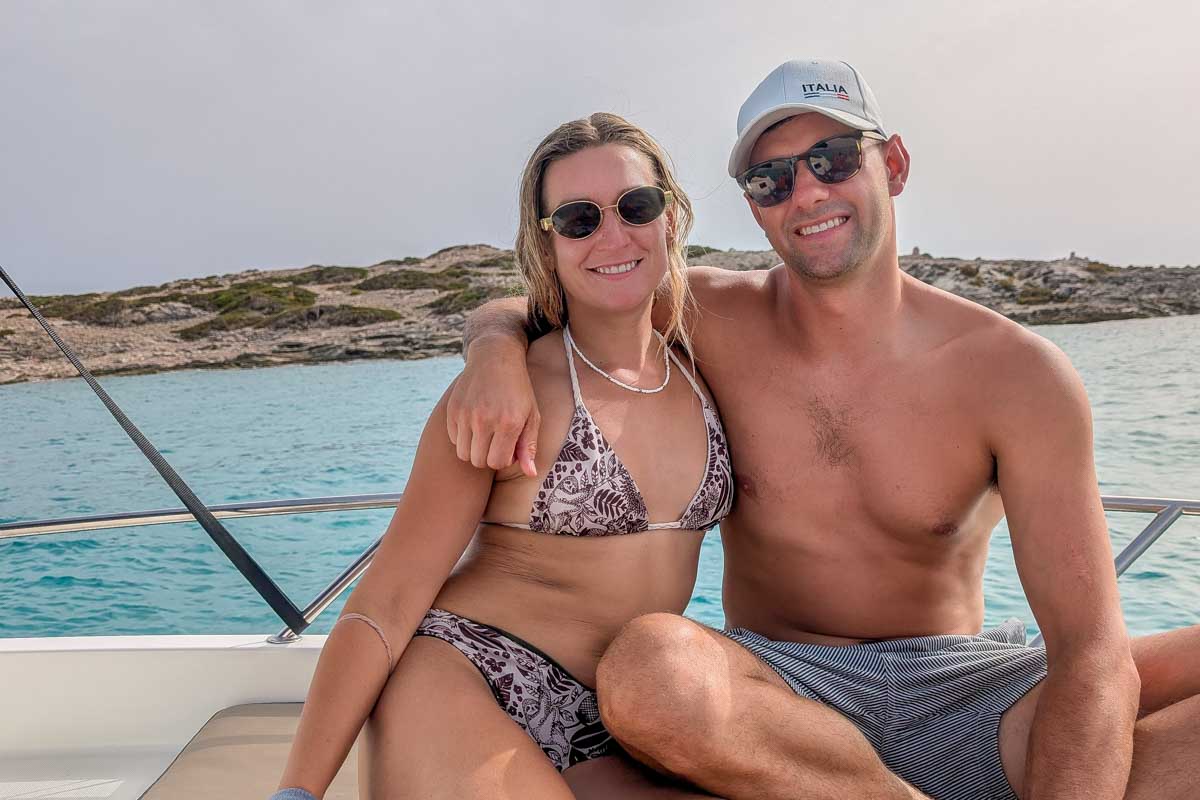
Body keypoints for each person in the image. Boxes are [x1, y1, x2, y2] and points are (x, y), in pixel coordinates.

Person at [447, 59, 1200, 800]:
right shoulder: (707, 315)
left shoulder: (1018, 374)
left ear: (893, 165)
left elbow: (1089, 649)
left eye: (833, 159)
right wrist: (493, 354)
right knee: (649, 668)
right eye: (771, 179)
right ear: (755, 206)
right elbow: (541, 306)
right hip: (773, 698)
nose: (806, 192)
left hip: (970, 692)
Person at [269, 113, 733, 800]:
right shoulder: (501, 398)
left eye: (635, 206)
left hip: (613, 714)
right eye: (578, 219)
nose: (612, 236)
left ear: (671, 215)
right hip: (465, 673)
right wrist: (297, 792)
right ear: (546, 243)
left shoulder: (705, 364)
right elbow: (384, 604)